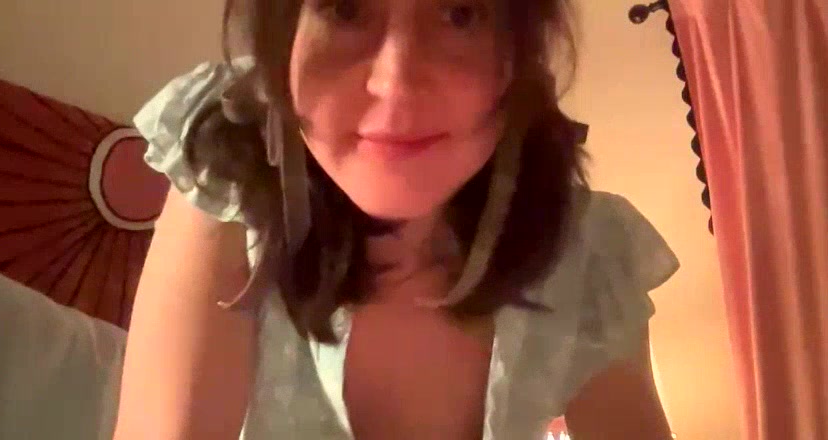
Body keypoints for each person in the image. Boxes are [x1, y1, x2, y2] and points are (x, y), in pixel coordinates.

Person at [114, 0, 680, 438]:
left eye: (460, 13)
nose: (396, 82)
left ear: (521, 50)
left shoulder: (584, 255)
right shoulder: (229, 176)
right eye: (345, 8)